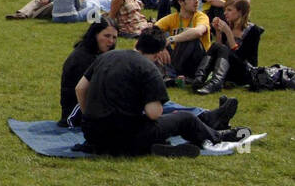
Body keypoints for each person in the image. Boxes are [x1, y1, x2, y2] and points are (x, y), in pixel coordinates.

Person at [76, 28, 250, 157]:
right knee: (184, 118)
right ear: (159, 53)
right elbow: (154, 114)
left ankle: (154, 147)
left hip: (93, 135)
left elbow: (81, 88)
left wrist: (90, 117)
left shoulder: (106, 57)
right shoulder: (148, 69)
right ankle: (216, 136)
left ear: (137, 43)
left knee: (144, 127)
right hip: (126, 137)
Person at [152, 0, 234, 93]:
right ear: (181, 2)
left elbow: (198, 32)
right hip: (178, 60)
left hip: (199, 62)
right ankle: (169, 77)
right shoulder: (172, 18)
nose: (196, 1)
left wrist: (171, 39)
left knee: (190, 38)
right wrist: (161, 47)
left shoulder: (201, 16)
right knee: (154, 43)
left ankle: (172, 76)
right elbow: (150, 33)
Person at [59, 18, 117, 127]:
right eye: (107, 36)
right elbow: (87, 92)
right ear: (95, 35)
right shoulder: (82, 58)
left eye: (114, 37)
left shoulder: (98, 54)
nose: (111, 41)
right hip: (75, 111)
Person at [210, 0, 265, 90]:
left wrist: (228, 33)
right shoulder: (228, 26)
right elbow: (219, 49)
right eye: (225, 10)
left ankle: (213, 81)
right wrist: (218, 32)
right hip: (227, 67)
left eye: (229, 10)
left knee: (224, 49)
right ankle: (200, 78)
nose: (225, 13)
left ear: (240, 12)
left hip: (245, 70)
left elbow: (241, 56)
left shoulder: (253, 31)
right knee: (216, 46)